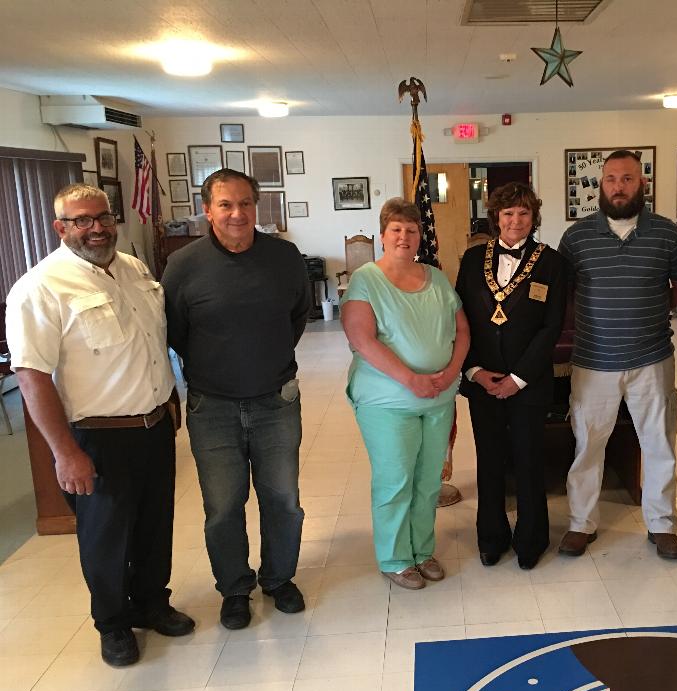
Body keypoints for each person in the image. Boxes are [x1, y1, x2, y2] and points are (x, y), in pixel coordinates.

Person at [6, 185, 193, 666]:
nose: (96, 228)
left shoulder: (134, 269)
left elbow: (152, 346)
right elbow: (31, 376)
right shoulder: (40, 287)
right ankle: (113, 624)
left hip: (153, 426)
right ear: (61, 228)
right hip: (97, 437)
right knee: (106, 537)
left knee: (155, 525)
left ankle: (151, 602)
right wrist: (65, 453)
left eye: (103, 217)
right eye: (82, 220)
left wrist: (171, 404)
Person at [162, 169, 311, 629]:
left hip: (275, 401)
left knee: (283, 499)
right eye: (226, 204)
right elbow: (175, 332)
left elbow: (298, 317)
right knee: (223, 506)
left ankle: (279, 579)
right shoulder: (183, 265)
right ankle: (234, 588)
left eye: (245, 203)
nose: (237, 213)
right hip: (213, 407)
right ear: (207, 210)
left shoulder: (284, 257)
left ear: (256, 206)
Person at [557, 150, 677, 560]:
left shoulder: (668, 234)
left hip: (652, 359)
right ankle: (581, 524)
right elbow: (563, 296)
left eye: (627, 178)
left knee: (659, 445)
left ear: (642, 183)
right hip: (593, 362)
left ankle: (662, 525)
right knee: (587, 447)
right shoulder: (576, 238)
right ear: (600, 185)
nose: (619, 186)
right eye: (611, 179)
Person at [342, 198, 470, 590]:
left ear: (420, 236)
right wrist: (410, 379)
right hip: (388, 402)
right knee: (396, 480)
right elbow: (362, 339)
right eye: (396, 229)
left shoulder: (437, 278)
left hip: (437, 399)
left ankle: (422, 550)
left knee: (428, 481)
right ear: (383, 235)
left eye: (411, 230)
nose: (404, 236)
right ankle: (396, 558)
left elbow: (462, 330)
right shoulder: (366, 279)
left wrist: (452, 371)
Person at [455, 183, 569, 570]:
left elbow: (551, 327)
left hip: (529, 382)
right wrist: (474, 370)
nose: (516, 220)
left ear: (534, 217)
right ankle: (491, 537)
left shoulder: (552, 262)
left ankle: (531, 540)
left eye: (523, 213)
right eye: (508, 213)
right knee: (489, 460)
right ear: (496, 217)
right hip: (482, 380)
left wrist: (518, 378)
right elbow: (460, 319)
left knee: (528, 460)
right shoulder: (473, 259)